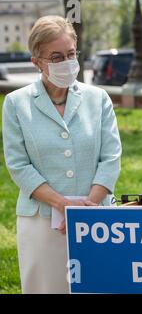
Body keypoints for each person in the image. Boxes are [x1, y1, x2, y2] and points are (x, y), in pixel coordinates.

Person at [2, 16, 122, 293]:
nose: (66, 62)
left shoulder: (98, 98)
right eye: (56, 57)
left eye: (70, 54)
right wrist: (61, 204)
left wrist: (87, 208)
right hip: (42, 223)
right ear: (37, 62)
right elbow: (18, 165)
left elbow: (111, 157)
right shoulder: (16, 103)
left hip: (98, 219)